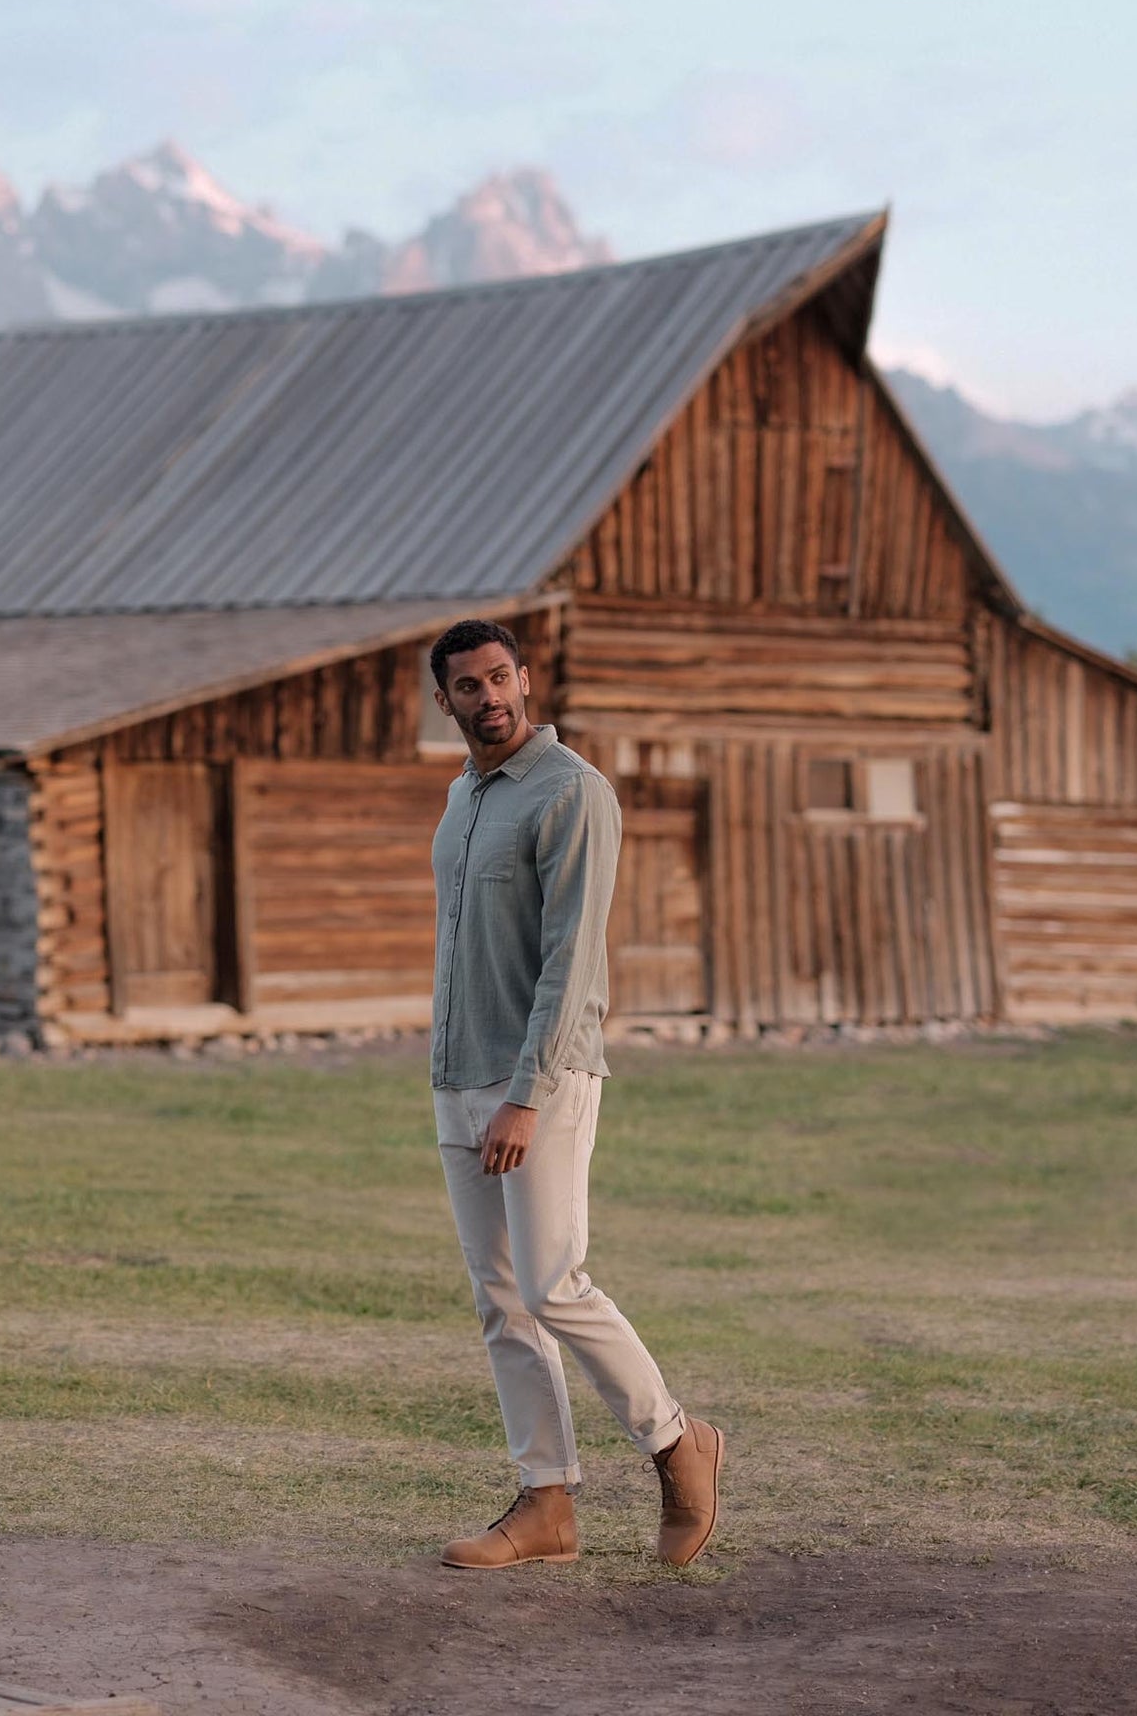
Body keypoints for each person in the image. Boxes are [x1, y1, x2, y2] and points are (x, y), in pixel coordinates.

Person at [425, 617, 723, 1570]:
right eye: (468, 685)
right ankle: (546, 1504)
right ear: (446, 703)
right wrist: (458, 1078)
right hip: (458, 1075)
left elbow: (571, 963)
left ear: (526, 679)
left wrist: (524, 1095)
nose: (490, 696)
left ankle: (679, 1443)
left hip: (537, 1083)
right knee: (501, 1299)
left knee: (555, 1282)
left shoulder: (574, 794)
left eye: (501, 676)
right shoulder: (463, 797)